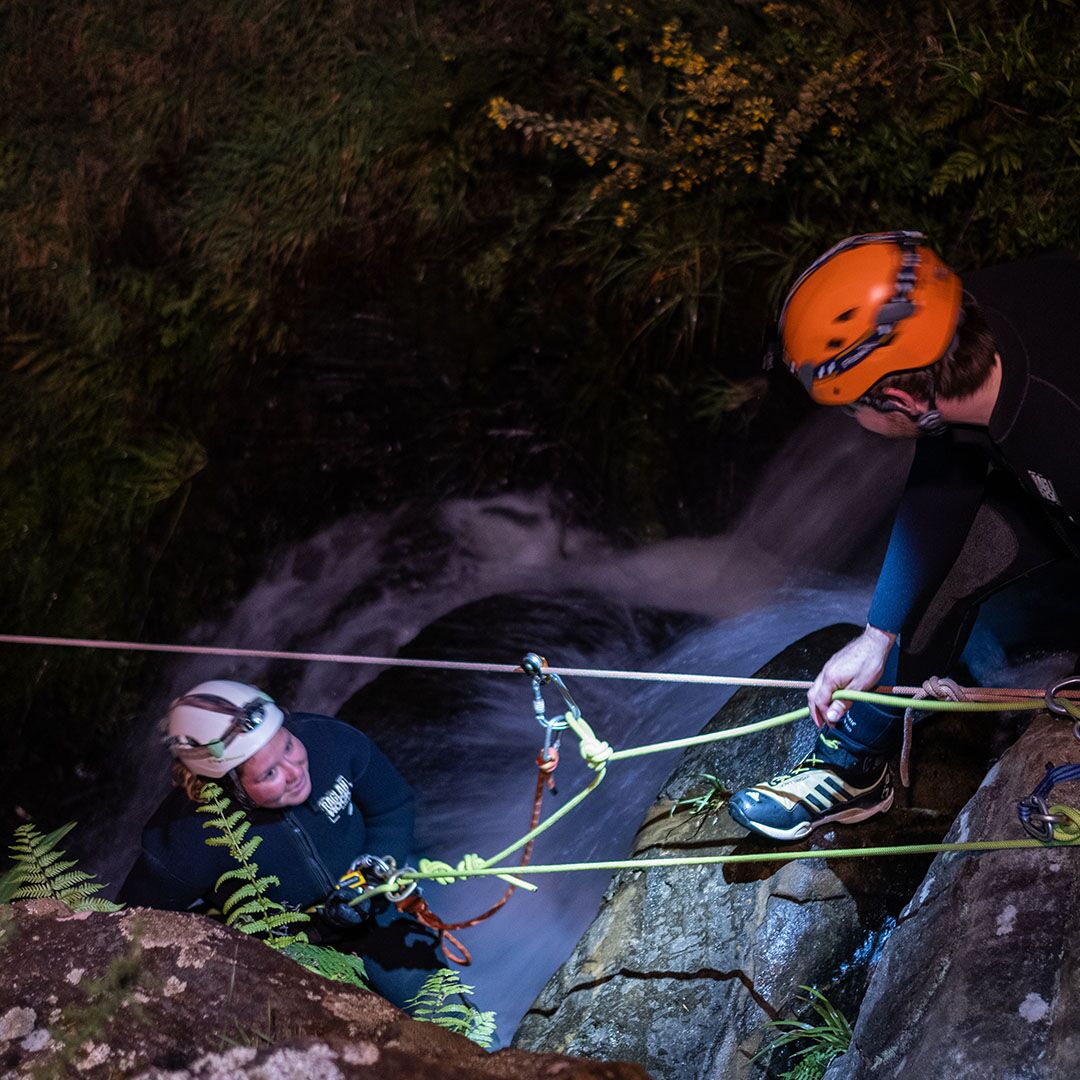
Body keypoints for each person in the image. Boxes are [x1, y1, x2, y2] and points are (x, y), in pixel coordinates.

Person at [728, 230, 1080, 842]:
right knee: (937, 579)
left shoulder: (1059, 425)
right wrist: (877, 632)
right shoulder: (959, 322)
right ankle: (853, 768)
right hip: (1042, 459)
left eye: (849, 410)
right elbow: (946, 473)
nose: (853, 428)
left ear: (894, 395)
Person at [120, 679, 458, 1011]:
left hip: (377, 911)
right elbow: (133, 919)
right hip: (288, 949)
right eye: (268, 775)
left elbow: (392, 805)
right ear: (230, 785)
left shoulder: (331, 742)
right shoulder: (189, 835)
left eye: (288, 746)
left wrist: (373, 871)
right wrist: (230, 939)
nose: (294, 771)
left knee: (439, 1008)